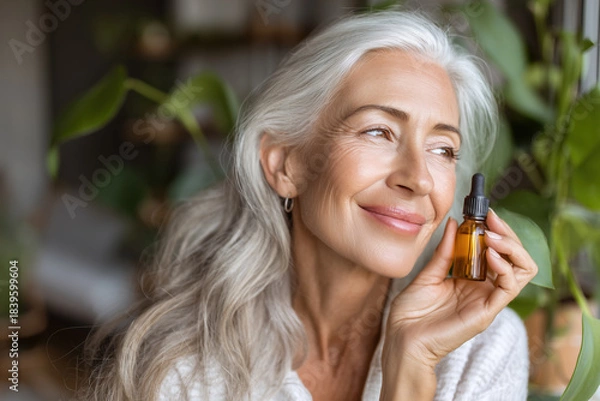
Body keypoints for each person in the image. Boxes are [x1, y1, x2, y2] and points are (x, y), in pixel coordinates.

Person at [80, 10, 538, 401]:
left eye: (443, 150)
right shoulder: (188, 366)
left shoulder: (481, 348)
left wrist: (411, 361)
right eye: (378, 131)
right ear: (286, 165)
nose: (418, 178)